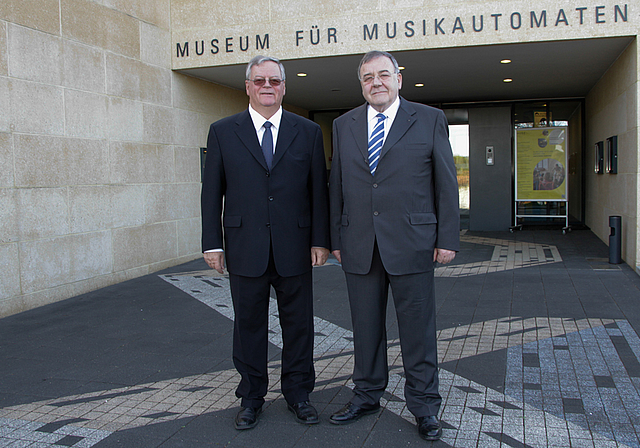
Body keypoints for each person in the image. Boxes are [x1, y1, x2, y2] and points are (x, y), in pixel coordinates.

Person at [328, 51, 459, 441]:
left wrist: (447, 238)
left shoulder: (429, 118)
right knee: (365, 329)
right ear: (362, 84)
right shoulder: (342, 124)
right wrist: (336, 237)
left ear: (399, 78)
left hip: (414, 243)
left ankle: (425, 406)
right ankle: (366, 394)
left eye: (383, 74)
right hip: (359, 244)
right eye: (368, 77)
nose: (376, 82)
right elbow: (336, 185)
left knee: (418, 332)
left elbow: (445, 183)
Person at [201, 55, 330, 430]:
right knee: (248, 327)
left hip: (296, 246)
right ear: (248, 86)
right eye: (259, 81)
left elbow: (316, 192)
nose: (267, 86)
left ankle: (299, 394)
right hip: (245, 247)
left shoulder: (306, 132)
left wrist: (321, 239)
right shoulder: (223, 131)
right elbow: (212, 193)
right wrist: (213, 243)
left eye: (274, 80)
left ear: (284, 86)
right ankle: (251, 396)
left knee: (299, 326)